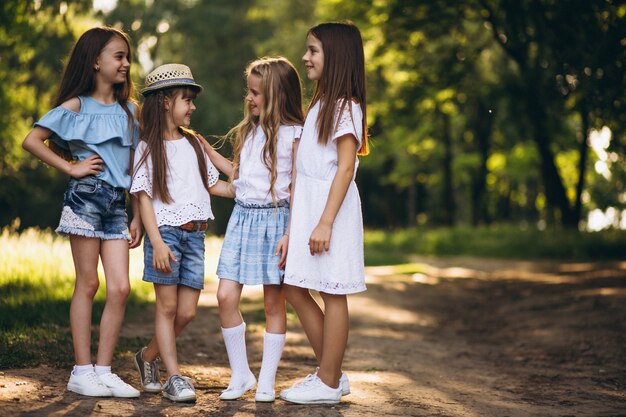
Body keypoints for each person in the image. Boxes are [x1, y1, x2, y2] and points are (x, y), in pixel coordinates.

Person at [22, 27, 142, 398]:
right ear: (95, 61)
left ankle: (104, 370)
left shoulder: (131, 110)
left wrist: (137, 215)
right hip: (85, 199)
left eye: (126, 57)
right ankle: (82, 369)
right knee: (88, 284)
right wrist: (71, 167)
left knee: (120, 287)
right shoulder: (76, 105)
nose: (125, 63)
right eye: (117, 56)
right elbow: (31, 140)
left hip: (117, 206)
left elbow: (138, 167)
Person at [130, 63, 234, 402]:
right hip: (167, 234)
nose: (192, 107)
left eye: (192, 100)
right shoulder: (147, 147)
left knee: (187, 312)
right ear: (164, 102)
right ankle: (173, 376)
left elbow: (215, 185)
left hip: (196, 235)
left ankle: (147, 358)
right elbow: (143, 198)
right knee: (168, 308)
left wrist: (255, 190)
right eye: (186, 100)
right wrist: (156, 241)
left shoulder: (194, 145)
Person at [279, 21, 369, 405]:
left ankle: (328, 381)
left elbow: (346, 168)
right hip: (309, 209)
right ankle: (331, 372)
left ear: (335, 56)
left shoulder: (347, 108)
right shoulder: (319, 104)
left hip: (332, 210)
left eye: (313, 50)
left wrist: (326, 221)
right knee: (293, 286)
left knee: (333, 291)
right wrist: (293, 225)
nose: (305, 57)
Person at [213, 57, 304, 402]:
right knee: (225, 296)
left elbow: (298, 190)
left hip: (277, 220)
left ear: (277, 96)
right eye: (248, 92)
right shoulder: (248, 132)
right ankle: (241, 374)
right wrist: (205, 151)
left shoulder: (295, 134)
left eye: (256, 93)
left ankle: (267, 380)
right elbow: (237, 179)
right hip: (242, 219)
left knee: (272, 304)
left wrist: (289, 233)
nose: (248, 99)